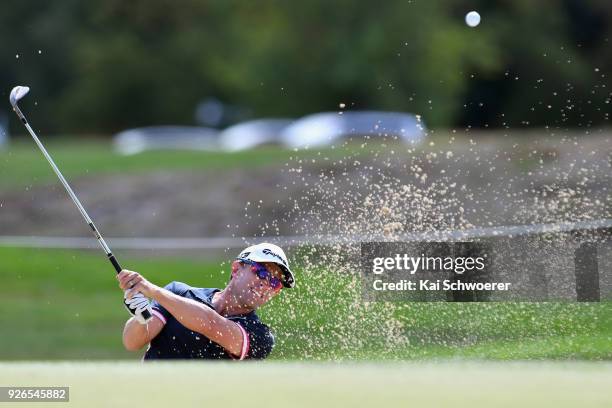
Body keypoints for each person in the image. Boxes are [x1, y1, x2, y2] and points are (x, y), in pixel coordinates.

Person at [117, 243, 295, 360]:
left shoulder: (260, 336)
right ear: (236, 269)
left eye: (275, 283)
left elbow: (210, 324)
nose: (266, 284)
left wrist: (154, 291)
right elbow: (132, 343)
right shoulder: (179, 293)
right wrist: (142, 317)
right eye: (261, 272)